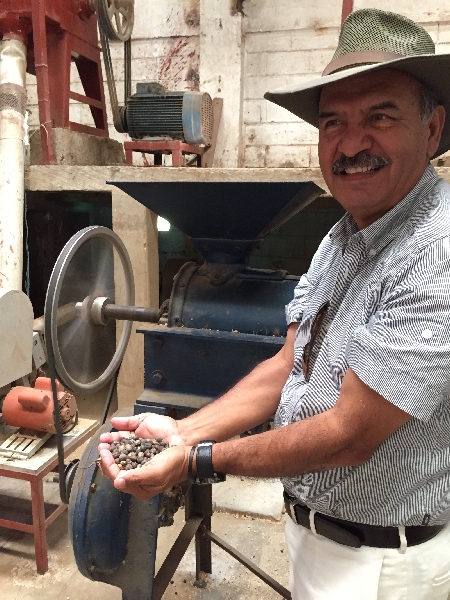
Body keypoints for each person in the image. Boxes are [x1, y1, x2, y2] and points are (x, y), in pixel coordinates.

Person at [99, 9, 450, 599]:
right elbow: (290, 363)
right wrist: (183, 432)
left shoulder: (436, 254)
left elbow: (348, 434)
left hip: (383, 566)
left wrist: (196, 461)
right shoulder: (343, 235)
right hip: (317, 535)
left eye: (380, 116)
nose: (351, 143)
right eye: (333, 122)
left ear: (433, 128)